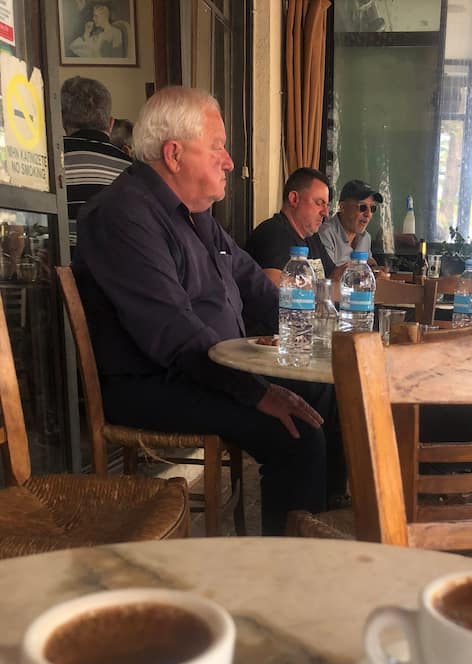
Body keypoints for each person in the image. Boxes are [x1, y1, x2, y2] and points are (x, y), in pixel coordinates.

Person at [72, 86, 333, 535]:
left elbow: (255, 284)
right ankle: (288, 564)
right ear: (174, 154)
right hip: (152, 381)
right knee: (297, 432)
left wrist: (317, 334)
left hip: (205, 370)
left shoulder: (197, 217)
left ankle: (322, 526)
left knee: (324, 394)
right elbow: (172, 333)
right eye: (217, 147)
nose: (228, 161)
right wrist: (256, 392)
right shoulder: (123, 214)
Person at [61, 76, 131, 246]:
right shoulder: (132, 171)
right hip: (115, 262)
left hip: (56, 260)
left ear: (62, 119)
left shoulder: (51, 160)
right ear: (111, 123)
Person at [245, 167, 336, 284]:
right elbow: (274, 283)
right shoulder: (273, 233)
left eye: (326, 205)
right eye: (319, 203)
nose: (325, 213)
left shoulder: (312, 237)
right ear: (294, 199)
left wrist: (351, 271)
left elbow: (332, 276)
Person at [318, 179, 382, 268]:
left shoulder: (365, 237)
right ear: (343, 207)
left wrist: (377, 270)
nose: (368, 214)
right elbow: (329, 274)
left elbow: (369, 265)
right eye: (362, 207)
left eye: (372, 208)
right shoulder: (326, 234)